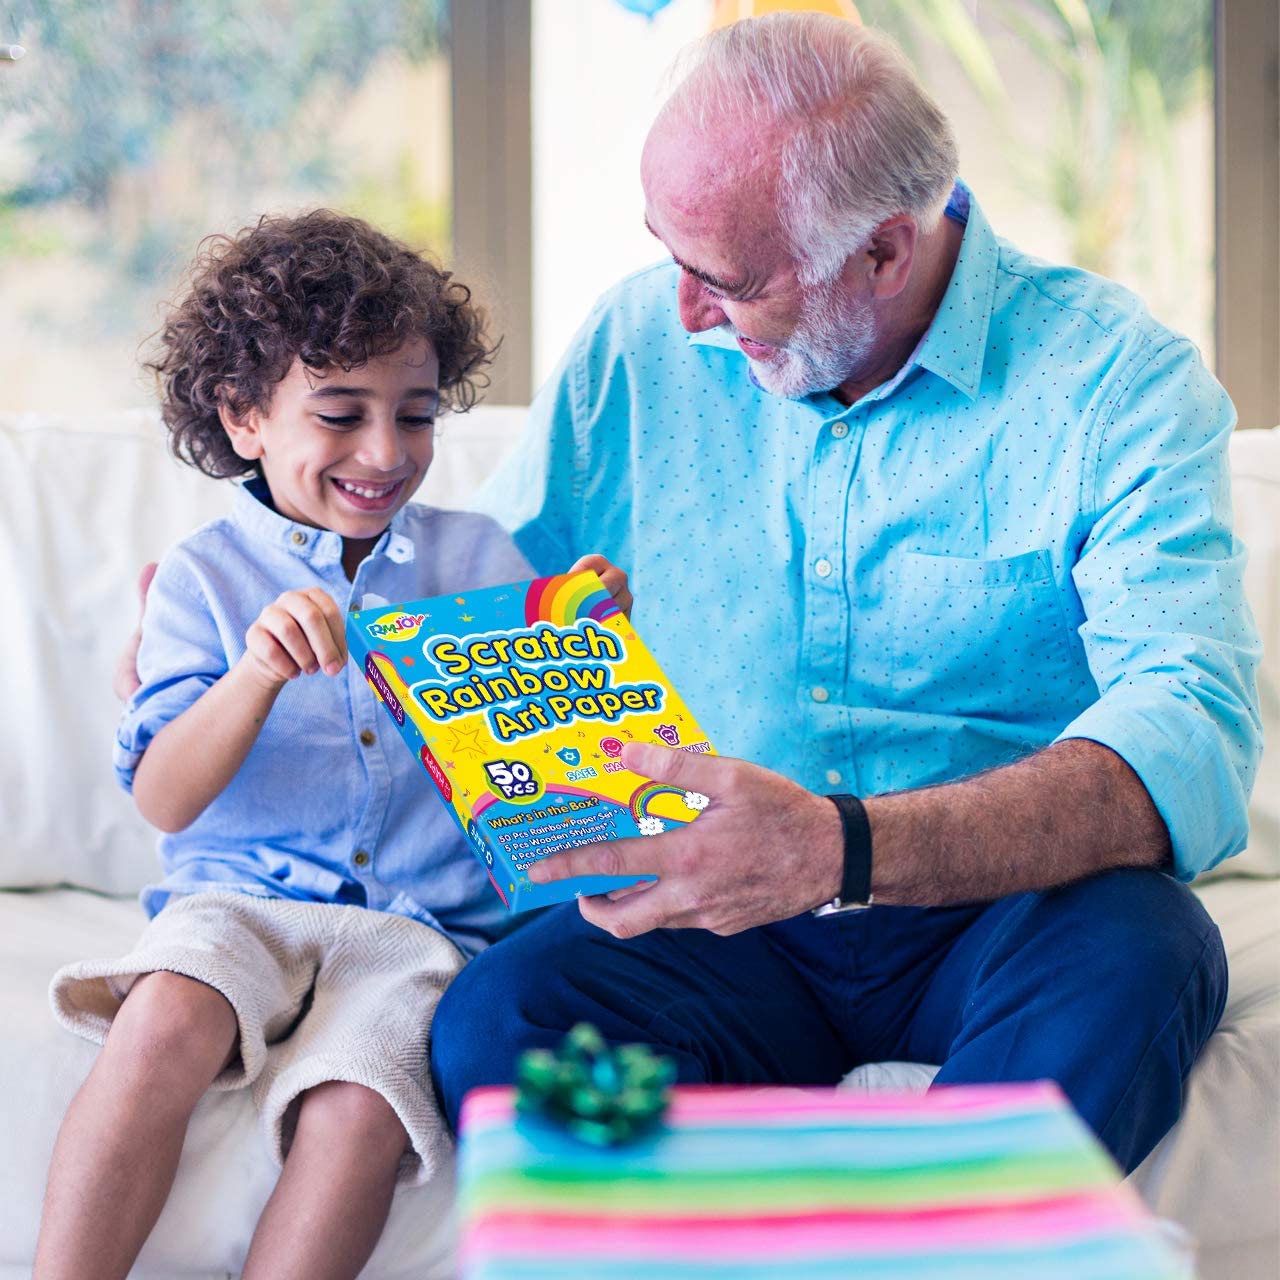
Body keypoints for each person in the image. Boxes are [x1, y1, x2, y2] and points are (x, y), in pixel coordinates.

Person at [428, 13, 1261, 1175]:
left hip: (998, 911)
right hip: (717, 920)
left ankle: (934, 1241)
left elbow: (1192, 736)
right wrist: (276, 595)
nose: (683, 313)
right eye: (669, 255)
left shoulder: (1115, 384)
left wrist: (839, 848)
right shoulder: (636, 341)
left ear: (881, 251)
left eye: (725, 278)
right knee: (494, 1020)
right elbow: (476, 589)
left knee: (1145, 951)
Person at [35, 210, 629, 1280]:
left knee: (365, 1106)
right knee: (166, 1011)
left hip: (421, 930)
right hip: (241, 903)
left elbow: (558, 797)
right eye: (342, 414)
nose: (385, 452)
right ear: (244, 415)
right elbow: (166, 797)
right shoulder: (204, 578)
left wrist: (586, 655)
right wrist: (254, 675)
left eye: (414, 415)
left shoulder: (480, 560)